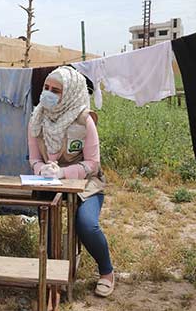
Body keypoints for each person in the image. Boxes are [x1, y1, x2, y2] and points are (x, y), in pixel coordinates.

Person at [28, 66, 114, 299]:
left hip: (87, 185)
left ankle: (106, 272)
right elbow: (34, 158)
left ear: (70, 92)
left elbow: (92, 164)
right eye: (46, 88)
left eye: (56, 90)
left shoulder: (84, 120)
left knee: (86, 224)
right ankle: (53, 278)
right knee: (48, 224)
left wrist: (63, 173)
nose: (48, 93)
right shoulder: (37, 119)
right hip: (50, 184)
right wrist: (42, 169)